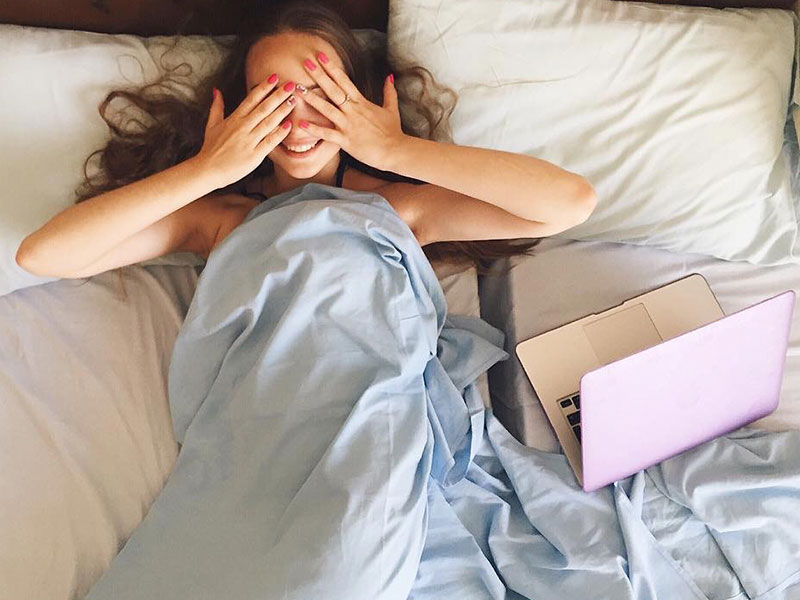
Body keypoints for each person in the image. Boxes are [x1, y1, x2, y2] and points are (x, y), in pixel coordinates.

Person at [15, 0, 596, 284]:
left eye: (320, 94)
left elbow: (568, 203)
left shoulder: (399, 209)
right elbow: (42, 256)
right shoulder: (219, 219)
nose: (298, 122)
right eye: (271, 99)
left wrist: (394, 151)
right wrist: (206, 170)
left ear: (356, 97)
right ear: (239, 107)